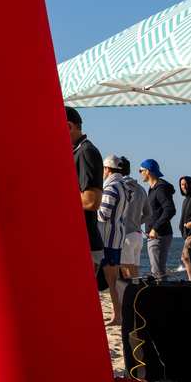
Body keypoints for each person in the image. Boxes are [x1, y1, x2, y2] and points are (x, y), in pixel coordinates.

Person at [67, 107, 105, 276]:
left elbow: (92, 201)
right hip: (80, 244)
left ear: (69, 126)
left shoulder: (86, 152)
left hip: (86, 246)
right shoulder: (77, 152)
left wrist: (57, 195)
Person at [96, 155, 132, 325]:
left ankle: (118, 316)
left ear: (107, 169)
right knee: (115, 280)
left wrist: (91, 208)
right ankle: (119, 315)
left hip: (108, 238)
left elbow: (103, 214)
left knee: (112, 281)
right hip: (117, 237)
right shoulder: (124, 186)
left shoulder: (111, 187)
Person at [138, 158, 176, 276]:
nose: (140, 173)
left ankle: (163, 294)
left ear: (148, 171)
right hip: (155, 236)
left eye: (141, 171)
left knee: (158, 272)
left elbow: (170, 209)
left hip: (160, 235)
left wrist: (155, 228)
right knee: (156, 271)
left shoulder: (160, 188)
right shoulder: (153, 188)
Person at [118, 156, 148, 283]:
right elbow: (148, 213)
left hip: (126, 235)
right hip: (138, 235)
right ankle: (138, 301)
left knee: (128, 277)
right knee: (135, 276)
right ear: (129, 171)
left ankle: (132, 302)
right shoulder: (141, 188)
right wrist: (136, 221)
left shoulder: (119, 187)